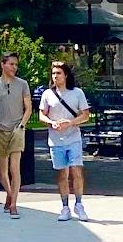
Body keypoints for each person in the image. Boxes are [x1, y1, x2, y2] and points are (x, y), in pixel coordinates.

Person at [38, 59, 92, 221]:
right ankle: (65, 206)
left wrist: (71, 123)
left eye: (59, 73)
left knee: (76, 170)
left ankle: (79, 204)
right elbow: (42, 114)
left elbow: (85, 115)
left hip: (73, 138)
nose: (55, 76)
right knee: (62, 174)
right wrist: (51, 122)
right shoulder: (47, 94)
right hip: (55, 140)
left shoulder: (77, 93)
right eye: (53, 73)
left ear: (66, 75)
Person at [0, 53, 31, 219]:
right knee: (1, 170)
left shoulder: (22, 84)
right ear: (3, 64)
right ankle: (9, 194)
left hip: (17, 128)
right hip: (0, 128)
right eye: (11, 64)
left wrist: (22, 125)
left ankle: (13, 204)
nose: (14, 67)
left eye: (16, 64)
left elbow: (28, 108)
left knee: (15, 167)